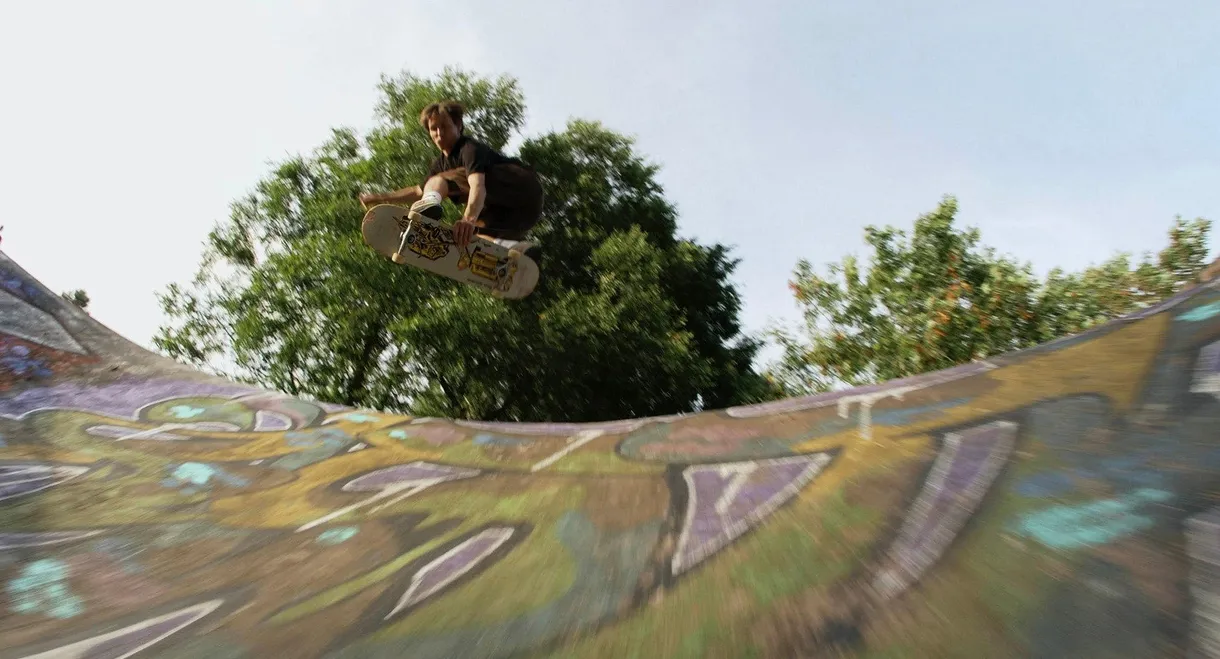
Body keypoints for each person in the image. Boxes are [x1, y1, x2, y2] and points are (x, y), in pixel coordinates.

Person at [359, 101, 544, 264]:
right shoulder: (440, 164)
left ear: (458, 126)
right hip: (523, 213)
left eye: (445, 126)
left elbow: (478, 186)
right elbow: (417, 190)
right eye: (434, 129)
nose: (439, 133)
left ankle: (430, 205)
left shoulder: (468, 149)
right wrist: (379, 197)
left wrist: (468, 219)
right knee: (474, 239)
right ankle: (517, 251)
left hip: (521, 184)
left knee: (440, 182)